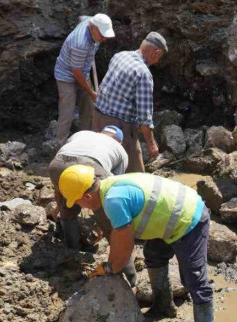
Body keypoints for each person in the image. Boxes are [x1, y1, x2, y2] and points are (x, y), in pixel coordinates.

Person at [58, 165, 214, 322]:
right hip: (168, 217)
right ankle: (163, 306)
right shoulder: (109, 185)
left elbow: (125, 245)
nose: (79, 206)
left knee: (193, 279)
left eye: (77, 202)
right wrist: (110, 263)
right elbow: (117, 235)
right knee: (154, 256)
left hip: (189, 220)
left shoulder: (113, 201)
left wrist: (111, 268)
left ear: (87, 197)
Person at [48, 126, 138, 285]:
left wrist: (58, 206)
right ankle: (129, 275)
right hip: (91, 165)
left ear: (101, 133)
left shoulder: (81, 133)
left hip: (57, 165)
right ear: (119, 141)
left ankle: (71, 250)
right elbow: (113, 192)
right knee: (114, 226)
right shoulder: (120, 151)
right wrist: (101, 222)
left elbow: (62, 173)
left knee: (69, 205)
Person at [93, 32, 168, 173]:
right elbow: (144, 117)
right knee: (135, 173)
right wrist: (151, 144)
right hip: (120, 127)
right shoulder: (143, 74)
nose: (157, 61)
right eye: (159, 57)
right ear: (155, 52)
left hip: (98, 117)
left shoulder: (120, 56)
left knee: (101, 161)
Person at [54, 13, 115, 144]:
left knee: (89, 108)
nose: (104, 39)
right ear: (92, 28)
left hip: (83, 72)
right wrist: (92, 92)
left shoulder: (90, 22)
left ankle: (85, 141)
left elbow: (82, 17)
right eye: (102, 35)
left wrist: (90, 94)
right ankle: (59, 146)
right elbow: (76, 72)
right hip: (66, 76)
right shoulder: (80, 43)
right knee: (67, 112)